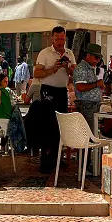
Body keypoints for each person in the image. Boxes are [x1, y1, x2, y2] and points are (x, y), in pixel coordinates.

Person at [34, 26, 76, 171]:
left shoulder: (69, 53)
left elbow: (74, 74)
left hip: (61, 91)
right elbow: (36, 73)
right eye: (57, 38)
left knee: (60, 125)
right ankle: (45, 159)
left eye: (62, 38)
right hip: (48, 91)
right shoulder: (45, 53)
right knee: (47, 124)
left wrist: (67, 67)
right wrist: (52, 69)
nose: (60, 41)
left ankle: (57, 157)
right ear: (52, 38)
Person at [73, 43, 105, 134]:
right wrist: (97, 84)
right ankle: (87, 148)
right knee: (88, 135)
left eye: (99, 58)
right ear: (88, 55)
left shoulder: (89, 68)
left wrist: (98, 86)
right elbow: (80, 87)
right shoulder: (82, 68)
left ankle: (89, 148)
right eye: (96, 57)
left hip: (91, 106)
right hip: (86, 106)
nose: (98, 61)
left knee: (92, 134)